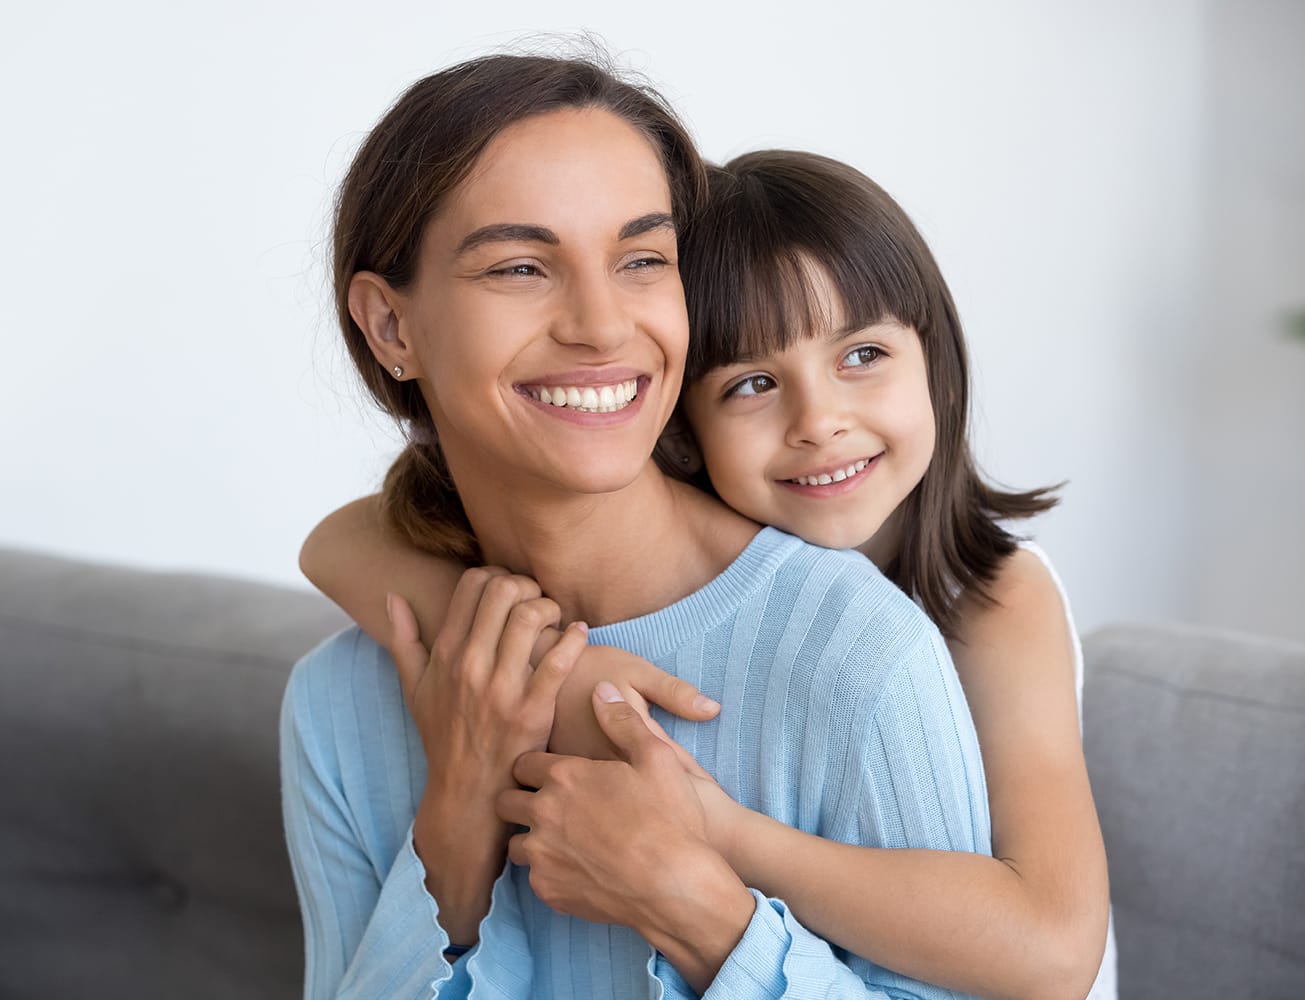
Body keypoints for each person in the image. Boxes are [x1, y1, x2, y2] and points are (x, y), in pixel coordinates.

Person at [300, 145, 1117, 998]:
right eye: (754, 383)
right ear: (677, 425)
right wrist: (559, 673)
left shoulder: (986, 600)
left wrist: (716, 834)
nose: (820, 422)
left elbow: (1052, 952)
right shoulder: (680, 560)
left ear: (935, 360)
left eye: (863, 356)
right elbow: (339, 542)